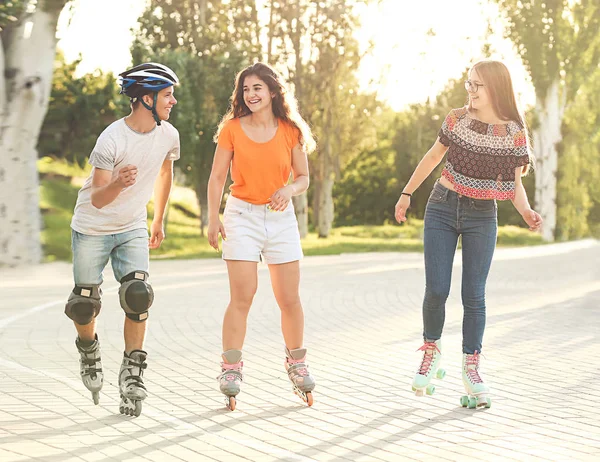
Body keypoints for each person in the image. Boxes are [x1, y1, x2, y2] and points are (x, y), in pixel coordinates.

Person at [395, 60, 542, 408]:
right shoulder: (457, 119)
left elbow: (514, 183)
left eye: (477, 85)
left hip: (482, 215)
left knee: (474, 295)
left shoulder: (512, 133)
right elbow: (433, 156)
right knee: (437, 289)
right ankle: (431, 350)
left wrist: (525, 212)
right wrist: (406, 193)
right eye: (469, 84)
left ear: (496, 88)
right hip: (442, 206)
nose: (471, 91)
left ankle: (471, 367)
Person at [64, 62, 180, 417]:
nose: (173, 101)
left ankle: (132, 370)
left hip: (131, 226)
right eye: (167, 95)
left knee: (138, 295)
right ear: (146, 98)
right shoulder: (111, 138)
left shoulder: (168, 135)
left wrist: (158, 218)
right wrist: (118, 182)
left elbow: (164, 171)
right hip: (92, 226)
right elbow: (98, 198)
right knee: (84, 302)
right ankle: (89, 350)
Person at [207, 62, 317, 410]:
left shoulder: (290, 130)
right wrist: (213, 219)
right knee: (242, 296)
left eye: (257, 88)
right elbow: (216, 178)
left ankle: (297, 364)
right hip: (241, 215)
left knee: (289, 298)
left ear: (272, 91)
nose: (250, 95)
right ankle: (230, 369)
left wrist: (288, 189)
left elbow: (303, 178)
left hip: (280, 218)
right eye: (245, 89)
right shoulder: (232, 129)